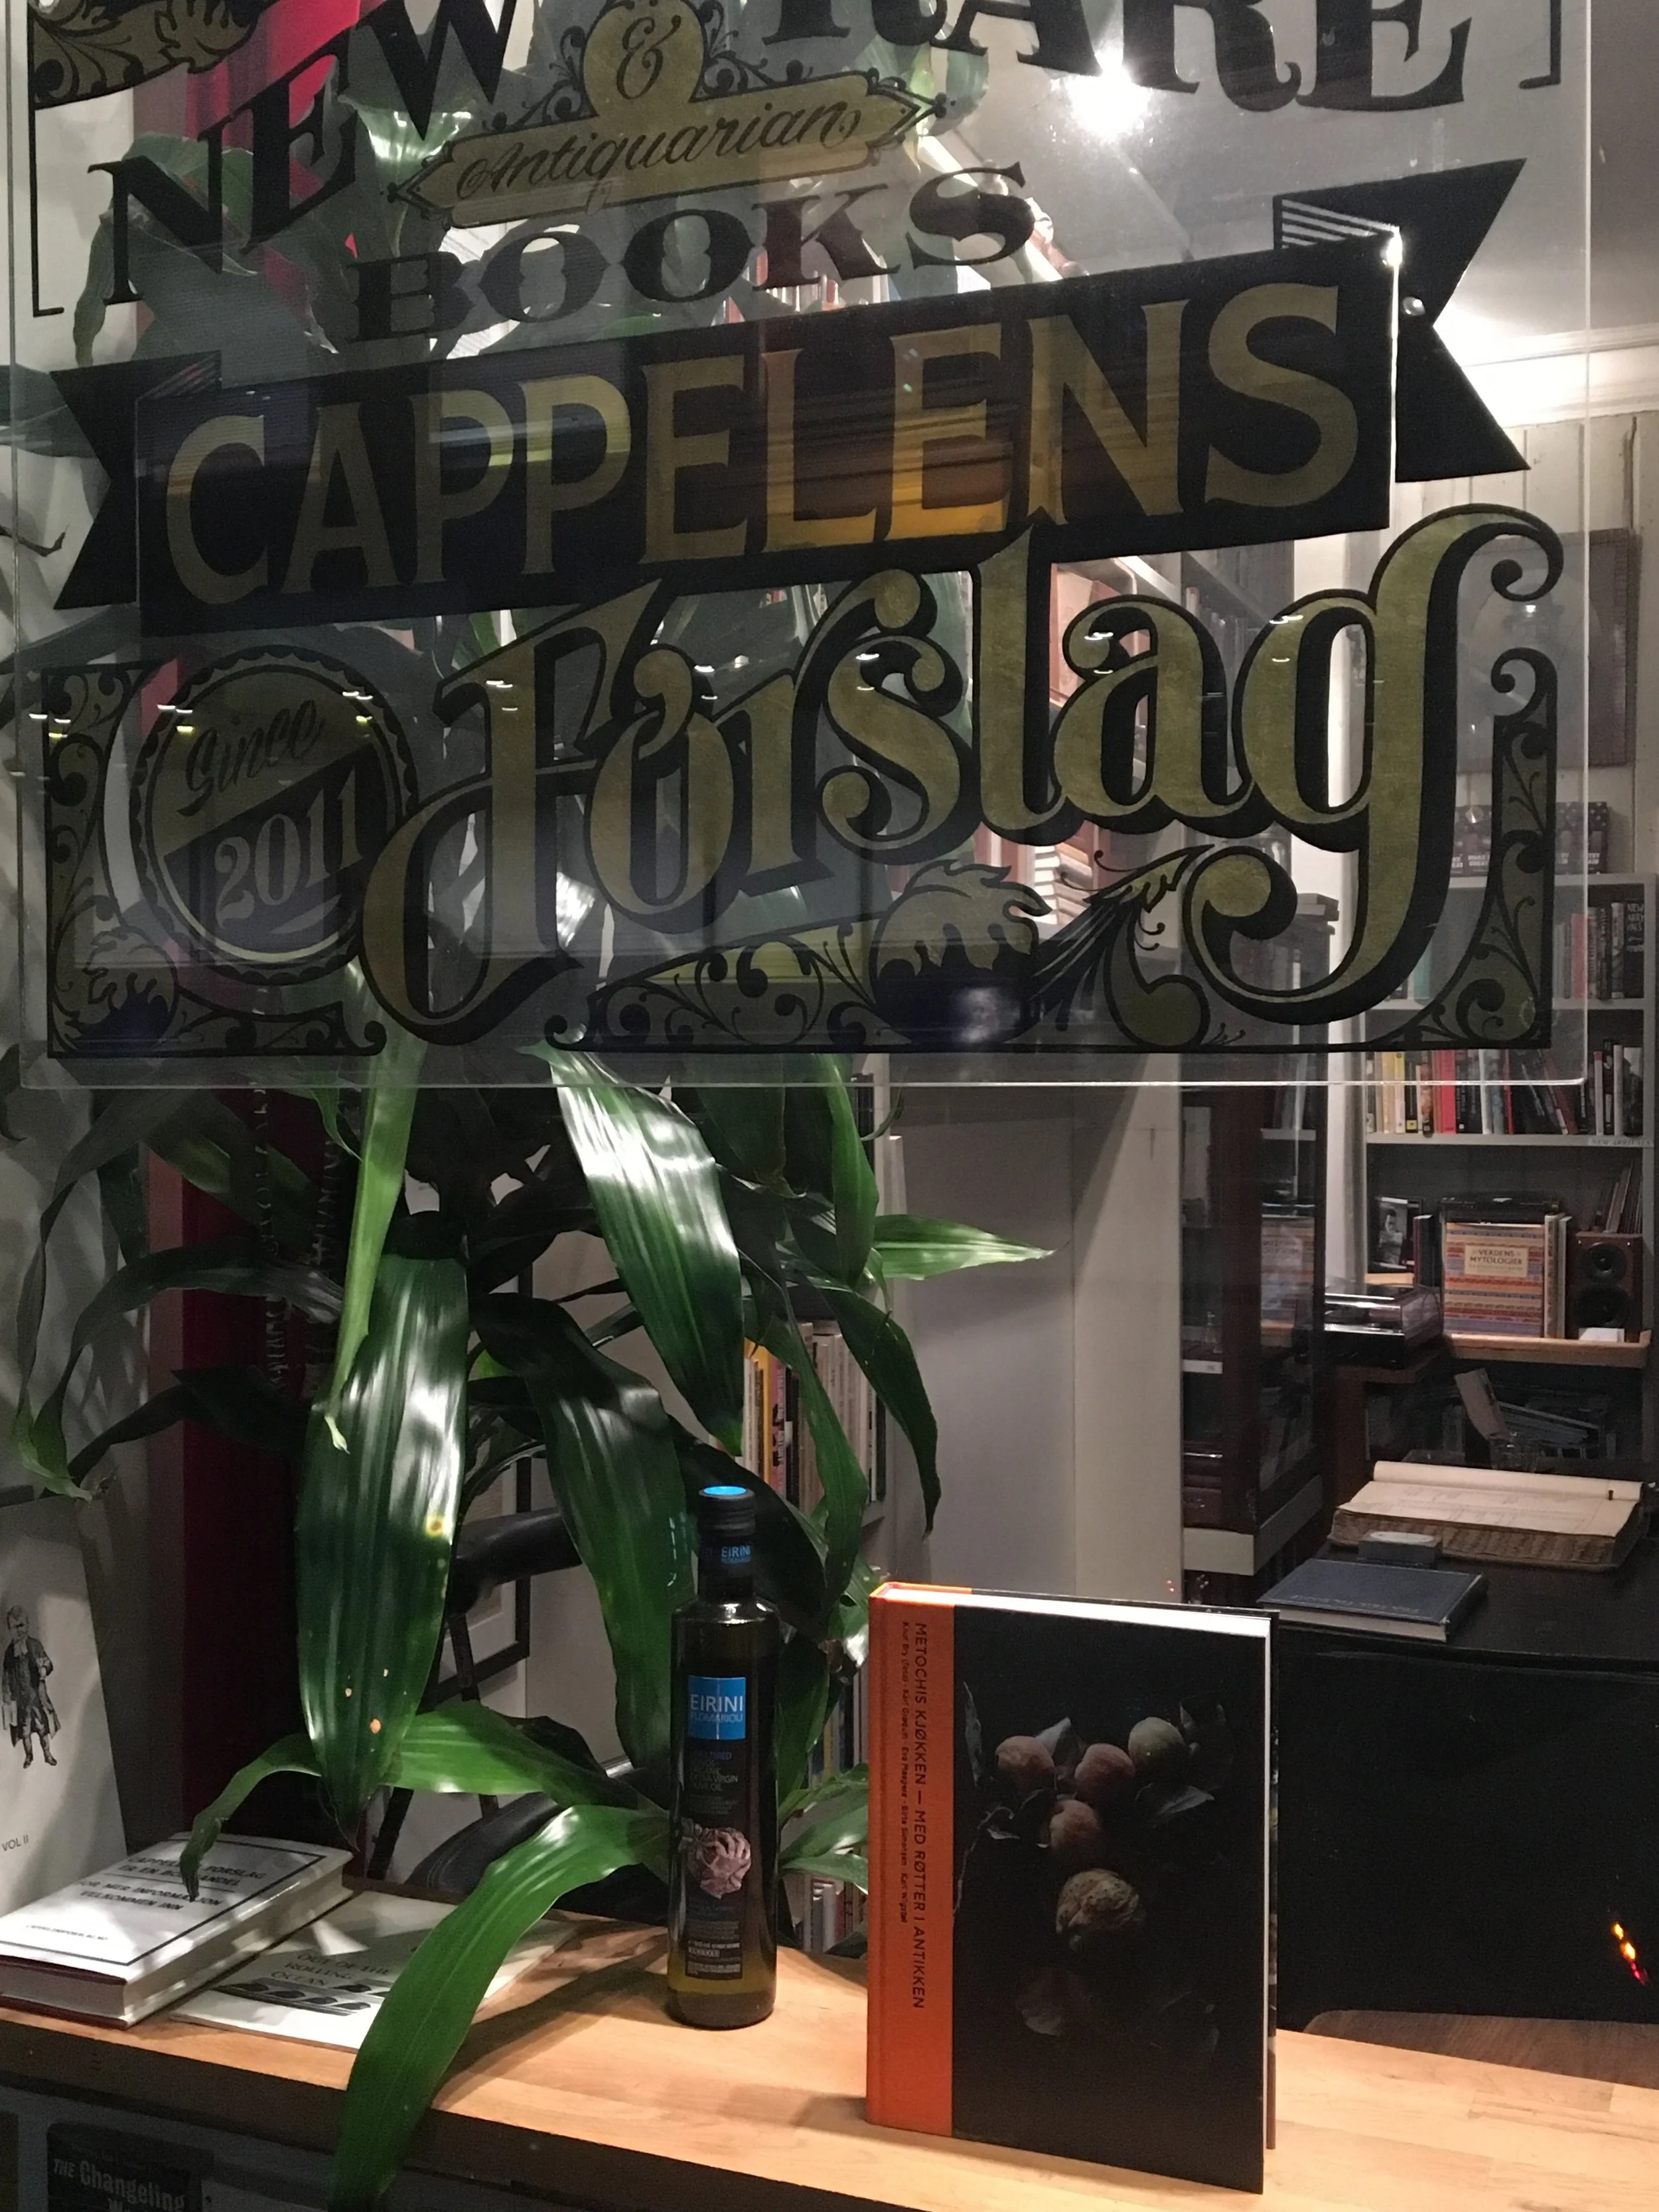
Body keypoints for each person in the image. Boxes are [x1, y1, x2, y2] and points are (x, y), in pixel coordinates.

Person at [2, 1605, 58, 1768]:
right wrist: (6, 1694)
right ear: (9, 1629)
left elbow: (48, 1663)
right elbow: (5, 1676)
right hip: (20, 1700)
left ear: (27, 1625)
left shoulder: (35, 1645)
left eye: (22, 1626)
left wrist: (44, 1669)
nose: (19, 1630)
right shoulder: (9, 1653)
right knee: (24, 1730)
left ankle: (47, 1754)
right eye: (15, 1627)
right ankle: (29, 1756)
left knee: (42, 1727)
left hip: (36, 1697)